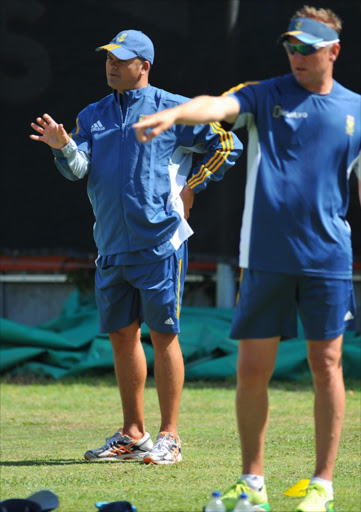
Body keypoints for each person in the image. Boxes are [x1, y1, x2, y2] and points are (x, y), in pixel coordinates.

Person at [133, 6, 361, 510]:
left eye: (307, 48)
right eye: (290, 47)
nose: (296, 56)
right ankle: (252, 484)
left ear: (333, 52)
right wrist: (174, 113)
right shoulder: (266, 94)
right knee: (252, 369)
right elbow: (215, 106)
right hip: (265, 258)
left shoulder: (356, 110)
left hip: (328, 261)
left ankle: (322, 484)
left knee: (327, 364)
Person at [30, 30, 242, 465]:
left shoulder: (173, 109)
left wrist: (193, 187)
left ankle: (170, 437)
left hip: (160, 243)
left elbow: (227, 144)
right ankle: (133, 434)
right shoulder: (93, 115)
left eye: (121, 59)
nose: (111, 65)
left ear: (143, 66)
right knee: (122, 337)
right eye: (108, 57)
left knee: (164, 335)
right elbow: (79, 169)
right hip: (111, 247)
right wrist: (63, 146)